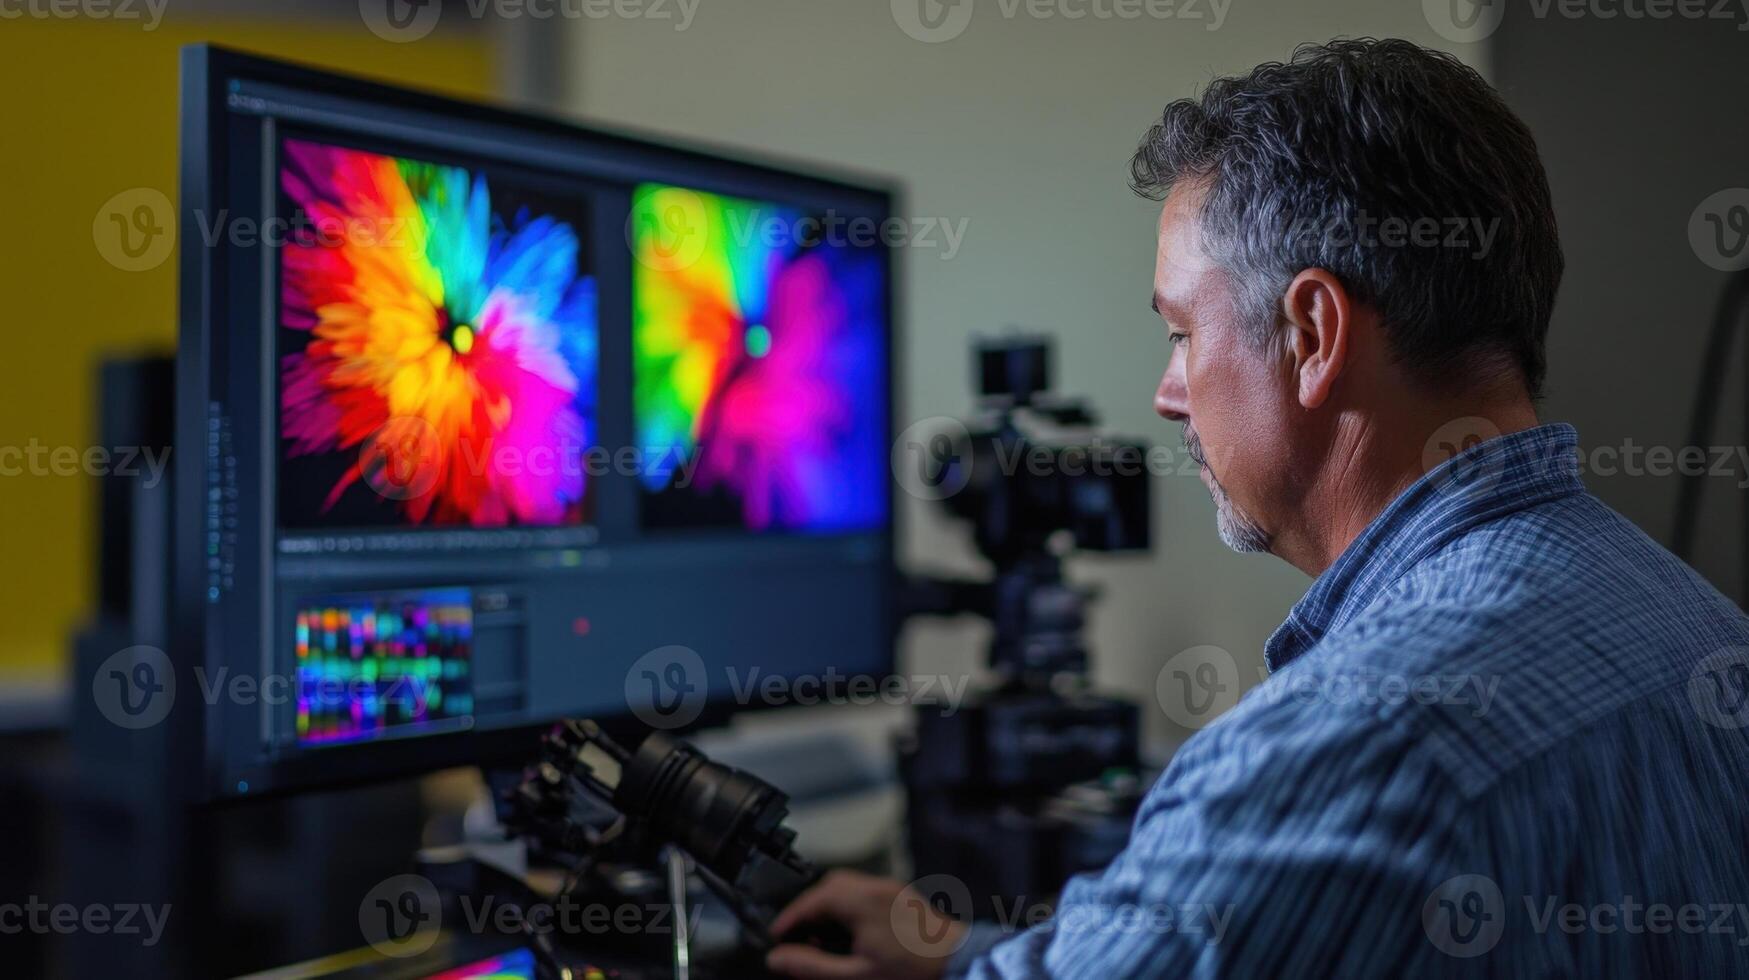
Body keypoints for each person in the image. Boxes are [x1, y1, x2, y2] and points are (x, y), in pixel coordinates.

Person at [764, 37, 1749, 979]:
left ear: (1312, 334)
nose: (1167, 393)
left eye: (1182, 332)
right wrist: (962, 955)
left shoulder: (1345, 749)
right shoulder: (1699, 628)